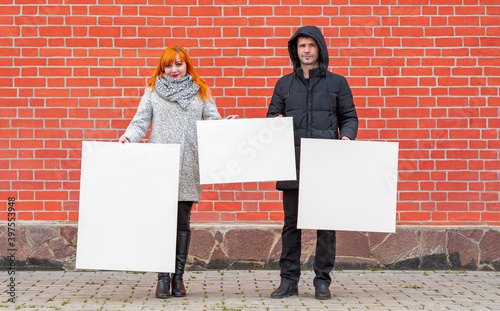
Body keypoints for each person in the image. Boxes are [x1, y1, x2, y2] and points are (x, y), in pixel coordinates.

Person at [119, 46, 233, 299]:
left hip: (189, 163)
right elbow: (140, 122)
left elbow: (213, 123)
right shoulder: (152, 92)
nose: (174, 70)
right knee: (162, 221)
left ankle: (178, 278)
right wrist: (128, 139)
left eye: (179, 64)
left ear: (187, 66)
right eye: (169, 65)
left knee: (182, 220)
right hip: (159, 164)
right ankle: (162, 278)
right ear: (163, 68)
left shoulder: (202, 92)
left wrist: (227, 127)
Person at [266, 26, 358, 300]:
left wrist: (347, 138)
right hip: (292, 162)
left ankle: (322, 281)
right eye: (301, 46)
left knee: (325, 225)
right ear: (295, 50)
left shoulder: (337, 83)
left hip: (325, 164)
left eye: (311, 45)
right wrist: (274, 123)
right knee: (291, 224)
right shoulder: (284, 84)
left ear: (320, 49)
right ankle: (288, 280)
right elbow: (272, 116)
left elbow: (350, 117)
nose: (306, 50)